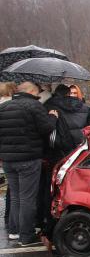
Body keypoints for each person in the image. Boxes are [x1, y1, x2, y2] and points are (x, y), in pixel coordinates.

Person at [0, 81, 58, 246]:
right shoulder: (34, 106)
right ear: (32, 91)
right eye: (37, 92)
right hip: (29, 159)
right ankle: (26, 236)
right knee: (27, 198)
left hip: (8, 160)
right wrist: (53, 117)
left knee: (15, 196)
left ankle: (14, 231)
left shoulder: (4, 107)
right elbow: (46, 128)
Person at [44, 84, 90, 152]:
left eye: (75, 93)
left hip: (58, 144)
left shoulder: (48, 105)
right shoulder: (84, 107)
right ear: (68, 94)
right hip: (80, 142)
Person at [1, 82, 16, 231]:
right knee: (17, 192)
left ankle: (8, 219)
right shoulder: (13, 106)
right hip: (18, 153)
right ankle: (12, 223)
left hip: (5, 153)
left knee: (11, 189)